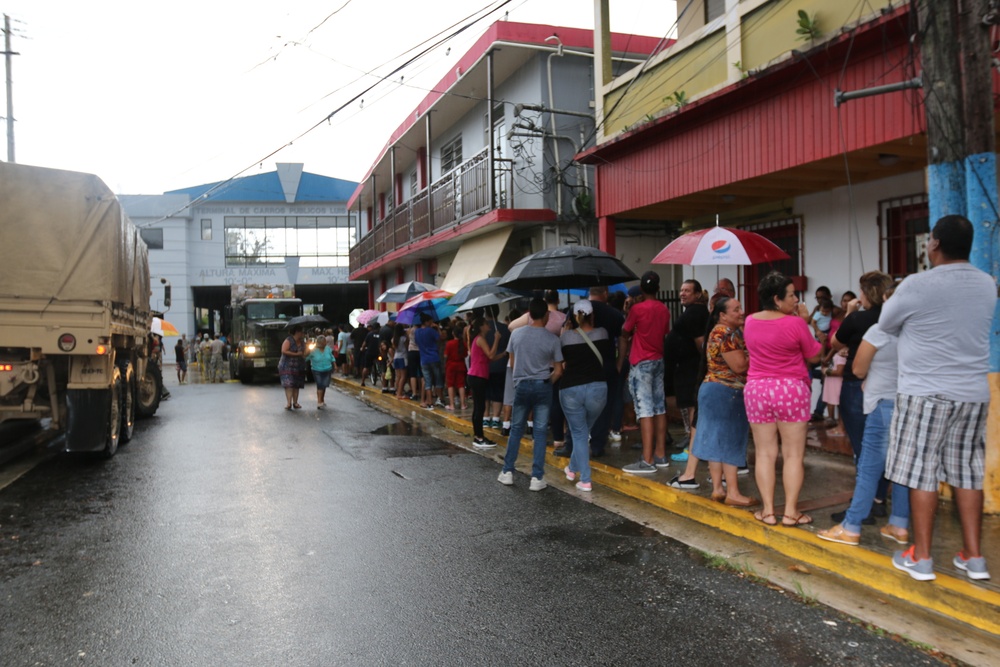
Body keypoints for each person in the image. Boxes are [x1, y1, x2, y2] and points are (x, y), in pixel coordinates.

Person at [881, 215, 994, 581]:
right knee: (967, 473)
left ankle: (923, 558)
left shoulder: (917, 284)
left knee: (922, 473)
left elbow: (886, 323)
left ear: (934, 244)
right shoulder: (986, 283)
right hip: (973, 394)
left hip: (926, 392)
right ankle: (974, 558)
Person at [818, 288, 911, 547]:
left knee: (869, 468)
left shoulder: (878, 332)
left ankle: (851, 525)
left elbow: (858, 370)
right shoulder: (913, 333)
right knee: (900, 469)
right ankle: (899, 524)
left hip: (881, 405)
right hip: (907, 405)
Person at [743, 272, 822, 526]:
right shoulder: (796, 323)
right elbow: (814, 357)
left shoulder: (751, 321)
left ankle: (767, 511)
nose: (796, 299)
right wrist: (807, 322)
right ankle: (790, 512)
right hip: (790, 389)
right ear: (777, 299)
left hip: (757, 390)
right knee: (792, 455)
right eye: (791, 295)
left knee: (765, 453)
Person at [689, 297, 756, 505]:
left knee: (715, 441)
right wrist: (758, 353)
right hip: (727, 391)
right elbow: (739, 366)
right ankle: (733, 492)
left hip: (712, 390)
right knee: (731, 440)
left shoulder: (717, 331)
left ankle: (718, 489)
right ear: (723, 315)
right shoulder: (726, 333)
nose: (741, 312)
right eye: (736, 310)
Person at [498, 298, 564, 491]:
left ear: (528, 314)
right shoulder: (553, 339)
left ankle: (508, 472)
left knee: (516, 429)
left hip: (522, 385)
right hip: (543, 385)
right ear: (546, 315)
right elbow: (559, 370)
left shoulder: (516, 335)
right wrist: (545, 382)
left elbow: (512, 362)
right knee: (540, 432)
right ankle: (536, 477)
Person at [620, 271, 671, 474]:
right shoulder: (664, 309)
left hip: (641, 362)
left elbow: (625, 331)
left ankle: (647, 459)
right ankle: (660, 454)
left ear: (641, 289)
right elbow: (664, 332)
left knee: (645, 410)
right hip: (659, 360)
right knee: (659, 407)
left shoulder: (637, 309)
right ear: (658, 289)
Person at [559, 300, 612, 492]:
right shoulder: (603, 333)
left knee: (580, 433)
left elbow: (562, 359)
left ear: (574, 317)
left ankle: (586, 480)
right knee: (583, 431)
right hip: (598, 389)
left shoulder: (566, 338)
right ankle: (572, 468)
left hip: (572, 389)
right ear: (593, 316)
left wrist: (563, 333)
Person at [666, 279, 709, 462]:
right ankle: (695, 446)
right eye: (682, 290)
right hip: (684, 368)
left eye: (688, 291)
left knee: (693, 408)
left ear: (697, 294)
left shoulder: (696, 313)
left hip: (692, 369)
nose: (682, 293)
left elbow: (701, 344)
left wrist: (705, 366)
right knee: (690, 407)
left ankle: (694, 449)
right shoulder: (693, 312)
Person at [469, 317, 501, 448]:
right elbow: (491, 355)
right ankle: (479, 437)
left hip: (477, 375)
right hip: (478, 376)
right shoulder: (480, 339)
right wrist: (497, 340)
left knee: (478, 407)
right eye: (487, 324)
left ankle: (478, 435)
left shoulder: (478, 339)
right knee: (480, 407)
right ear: (481, 326)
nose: (489, 326)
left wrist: (504, 354)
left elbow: (489, 358)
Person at [415, 314, 445, 408]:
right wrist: (438, 328)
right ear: (427, 321)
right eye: (431, 321)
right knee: (438, 379)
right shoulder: (431, 331)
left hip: (423, 359)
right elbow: (441, 338)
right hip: (434, 357)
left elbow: (416, 342)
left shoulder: (417, 332)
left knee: (428, 381)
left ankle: (429, 401)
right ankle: (440, 399)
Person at [278, 324, 308, 410]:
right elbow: (284, 351)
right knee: (289, 384)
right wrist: (296, 354)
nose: (303, 334)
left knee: (296, 385)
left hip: (298, 366)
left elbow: (304, 354)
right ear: (297, 332)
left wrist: (307, 349)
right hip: (287, 365)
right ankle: (288, 403)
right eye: (302, 332)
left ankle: (295, 402)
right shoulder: (289, 340)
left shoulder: (302, 342)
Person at [306, 334, 334, 409]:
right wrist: (307, 350)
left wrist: (335, 365)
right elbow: (306, 358)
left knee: (324, 385)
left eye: (324, 341)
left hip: (327, 369)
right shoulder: (313, 350)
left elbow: (331, 357)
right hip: (316, 370)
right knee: (320, 385)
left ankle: (322, 399)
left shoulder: (328, 349)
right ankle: (319, 402)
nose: (323, 343)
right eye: (321, 342)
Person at [444, 323, 468, 410]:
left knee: (450, 385)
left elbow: (446, 356)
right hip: (461, 365)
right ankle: (462, 404)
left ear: (453, 333)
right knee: (461, 385)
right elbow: (465, 355)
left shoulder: (449, 343)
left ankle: (452, 405)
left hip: (450, 366)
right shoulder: (464, 344)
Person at [392, 324, 409, 399]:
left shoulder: (393, 339)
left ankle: (397, 391)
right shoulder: (403, 338)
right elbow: (406, 347)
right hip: (403, 357)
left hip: (396, 357)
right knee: (403, 376)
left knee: (398, 376)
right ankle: (399, 393)